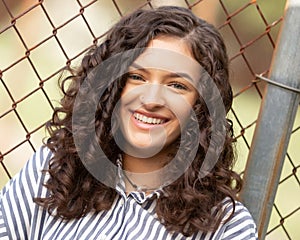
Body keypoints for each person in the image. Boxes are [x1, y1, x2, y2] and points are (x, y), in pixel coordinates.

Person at [0, 6, 258, 240]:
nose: (152, 99)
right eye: (137, 77)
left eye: (177, 85)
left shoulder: (225, 227)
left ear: (201, 105)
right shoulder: (56, 168)